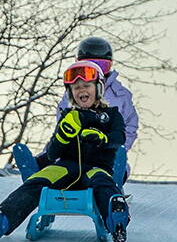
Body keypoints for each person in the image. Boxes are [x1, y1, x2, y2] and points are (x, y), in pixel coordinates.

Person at [0, 60, 130, 242]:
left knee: (103, 183)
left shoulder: (111, 115)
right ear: (71, 93)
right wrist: (63, 136)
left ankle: (115, 221)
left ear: (99, 89)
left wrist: (102, 138)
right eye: (76, 87)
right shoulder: (68, 116)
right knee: (37, 182)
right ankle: (1, 221)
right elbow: (53, 153)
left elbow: (119, 138)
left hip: (96, 167)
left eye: (86, 85)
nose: (81, 90)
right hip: (65, 167)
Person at [55, 36, 138, 164]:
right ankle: (38, 166)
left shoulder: (121, 95)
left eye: (102, 66)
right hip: (75, 153)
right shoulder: (73, 93)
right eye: (90, 66)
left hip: (107, 154)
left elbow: (130, 125)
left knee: (110, 167)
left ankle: (113, 174)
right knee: (59, 160)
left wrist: (118, 148)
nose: (97, 70)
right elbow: (62, 123)